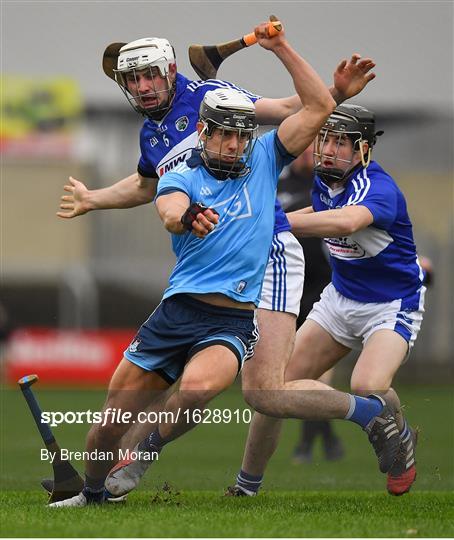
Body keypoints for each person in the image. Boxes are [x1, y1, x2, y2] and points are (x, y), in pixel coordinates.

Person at [50, 26, 399, 507]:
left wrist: (333, 90)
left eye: (152, 75)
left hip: (267, 249)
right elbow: (151, 188)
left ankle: (367, 414)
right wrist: (94, 199)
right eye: (134, 80)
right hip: (199, 273)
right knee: (156, 398)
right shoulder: (154, 133)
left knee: (262, 393)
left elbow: (291, 112)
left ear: (171, 72)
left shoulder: (216, 100)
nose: (145, 86)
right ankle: (108, 477)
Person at [227, 103, 425, 497]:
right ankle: (247, 485)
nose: (329, 149)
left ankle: (398, 435)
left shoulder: (377, 186)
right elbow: (320, 209)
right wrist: (275, 218)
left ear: (363, 149)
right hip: (339, 300)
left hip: (391, 304)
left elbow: (346, 221)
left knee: (368, 383)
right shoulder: (324, 179)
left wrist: (273, 221)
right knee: (272, 390)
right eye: (326, 139)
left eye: (341, 142)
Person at [278, 150, 344, 463]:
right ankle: (326, 436)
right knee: (293, 373)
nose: (307, 152)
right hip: (289, 285)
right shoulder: (279, 184)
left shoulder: (327, 184)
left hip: (322, 284)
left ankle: (306, 442)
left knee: (320, 371)